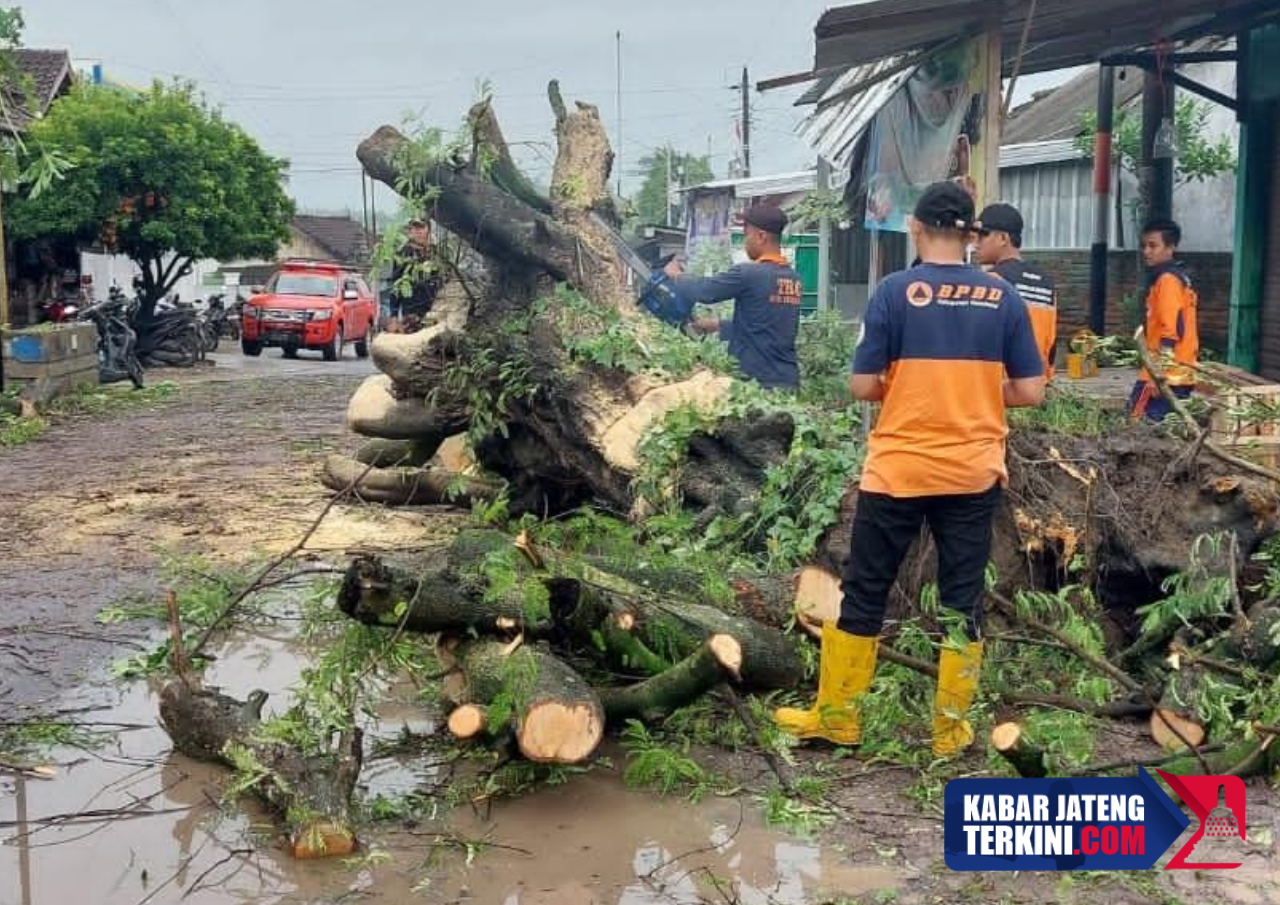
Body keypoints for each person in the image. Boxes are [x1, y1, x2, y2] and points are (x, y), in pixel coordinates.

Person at [774, 182, 1046, 756]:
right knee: (962, 598)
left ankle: (838, 718)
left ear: (916, 228)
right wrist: (975, 393)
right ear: (971, 235)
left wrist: (907, 387)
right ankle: (950, 730)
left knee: (866, 589)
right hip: (971, 471)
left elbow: (861, 385)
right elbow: (1030, 390)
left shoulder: (895, 293)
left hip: (899, 468)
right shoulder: (1003, 297)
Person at [663, 204, 802, 390]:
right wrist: (717, 325)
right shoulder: (792, 278)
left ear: (761, 236)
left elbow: (706, 291)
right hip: (787, 379)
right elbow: (767, 326)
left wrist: (676, 275)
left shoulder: (748, 274)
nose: (745, 242)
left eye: (746, 235)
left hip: (757, 383)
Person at [974, 203, 1058, 379]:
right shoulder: (1047, 283)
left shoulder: (991, 282)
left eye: (982, 236)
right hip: (1037, 384)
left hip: (1003, 385)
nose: (975, 244)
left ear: (1003, 238)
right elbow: (1051, 345)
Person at [1129, 218, 1200, 421]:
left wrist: (1158, 376)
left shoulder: (1167, 281)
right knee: (1164, 429)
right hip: (1179, 372)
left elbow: (1171, 331)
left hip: (1166, 374)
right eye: (1144, 246)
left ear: (1170, 247)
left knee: (1137, 423)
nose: (1146, 251)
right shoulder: (1176, 278)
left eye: (1153, 246)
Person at [386, 218, 442, 332]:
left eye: (421, 227)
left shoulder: (436, 253)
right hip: (411, 313)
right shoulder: (403, 254)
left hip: (435, 310)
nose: (418, 232)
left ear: (428, 230)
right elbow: (396, 286)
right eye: (415, 228)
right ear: (410, 231)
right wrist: (394, 315)